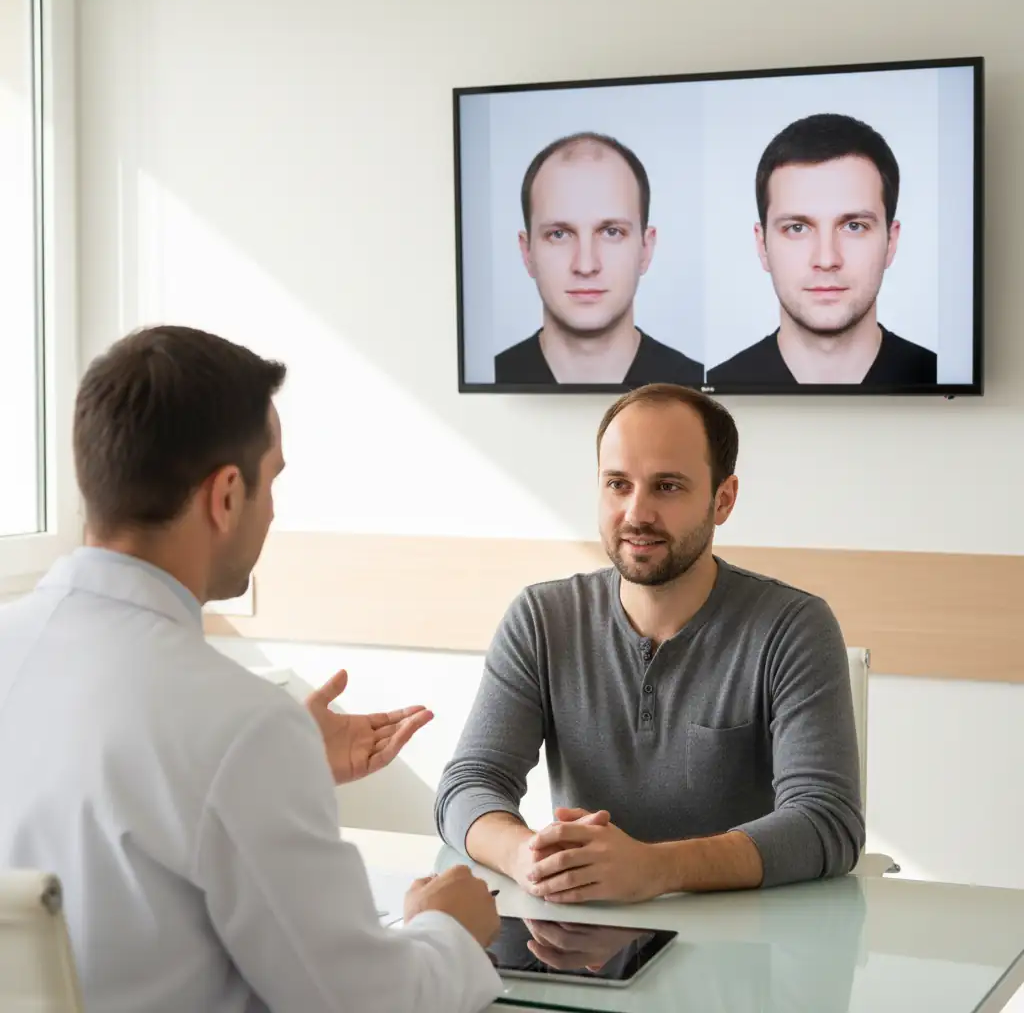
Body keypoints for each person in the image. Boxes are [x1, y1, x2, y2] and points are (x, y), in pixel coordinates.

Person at [0, 326, 501, 1013]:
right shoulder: (239, 730)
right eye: (274, 481)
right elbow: (366, 1005)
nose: (274, 511)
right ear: (227, 495)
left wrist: (284, 763)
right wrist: (450, 929)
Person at [434, 382, 865, 902]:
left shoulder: (794, 626)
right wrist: (525, 855)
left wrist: (656, 869)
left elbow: (827, 820)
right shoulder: (541, 620)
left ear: (722, 500)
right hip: (587, 941)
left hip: (747, 953)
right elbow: (468, 785)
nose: (636, 513)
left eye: (667, 486)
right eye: (617, 484)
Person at [706, 113, 937, 387]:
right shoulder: (714, 387)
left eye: (854, 226)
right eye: (797, 228)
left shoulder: (936, 375)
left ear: (891, 242)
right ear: (762, 245)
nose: (827, 259)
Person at [494, 132, 703, 386]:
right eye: (559, 234)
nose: (586, 265)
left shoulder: (695, 386)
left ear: (646, 248)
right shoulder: (493, 377)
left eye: (611, 232)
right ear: (527, 253)